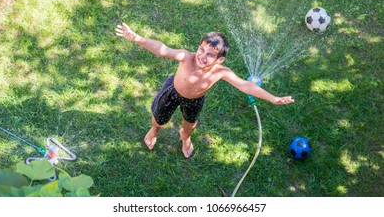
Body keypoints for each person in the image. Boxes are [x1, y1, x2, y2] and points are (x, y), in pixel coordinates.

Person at [115, 23, 294, 158]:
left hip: (194, 100)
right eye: (201, 49)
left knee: (190, 124)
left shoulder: (221, 72)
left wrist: (272, 98)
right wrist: (137, 38)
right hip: (172, 91)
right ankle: (154, 130)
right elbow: (163, 50)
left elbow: (245, 85)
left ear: (220, 60)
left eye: (210, 55)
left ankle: (185, 138)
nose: (202, 56)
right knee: (159, 117)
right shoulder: (186, 58)